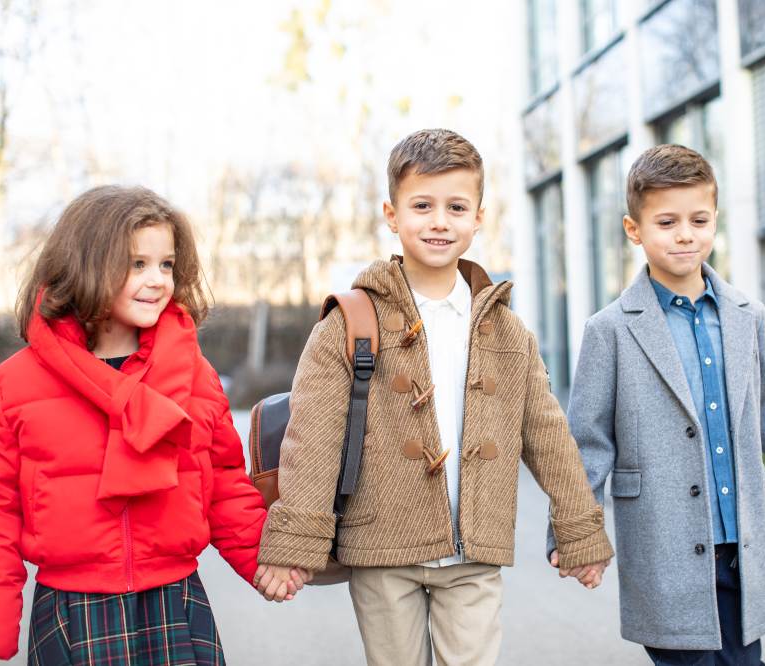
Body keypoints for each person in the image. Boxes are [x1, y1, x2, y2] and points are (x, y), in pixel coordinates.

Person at [254, 128, 613, 666]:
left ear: (478, 217)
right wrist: (293, 547)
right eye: (422, 205)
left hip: (474, 551)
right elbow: (313, 440)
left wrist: (579, 530)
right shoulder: (351, 322)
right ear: (392, 214)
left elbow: (548, 436)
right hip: (381, 549)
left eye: (456, 206)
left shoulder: (506, 332)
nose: (439, 221)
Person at [0, 186, 303, 665]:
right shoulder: (14, 386)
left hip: (174, 600)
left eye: (167, 265)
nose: (157, 280)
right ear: (85, 264)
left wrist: (268, 561)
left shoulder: (192, 373)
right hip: (73, 609)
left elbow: (223, 487)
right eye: (137, 264)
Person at [560, 144, 765, 665]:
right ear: (634, 230)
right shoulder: (610, 330)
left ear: (716, 221)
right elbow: (588, 443)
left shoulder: (744, 315)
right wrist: (576, 535)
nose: (685, 234)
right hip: (663, 547)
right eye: (666, 222)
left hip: (742, 546)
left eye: (699, 219)